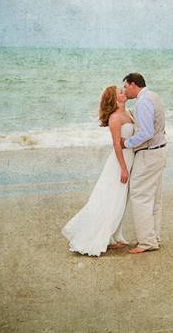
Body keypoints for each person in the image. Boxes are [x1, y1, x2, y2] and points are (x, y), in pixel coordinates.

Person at [61, 85, 135, 256]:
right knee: (110, 198)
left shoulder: (128, 113)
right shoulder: (115, 118)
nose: (124, 92)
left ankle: (116, 234)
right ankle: (103, 236)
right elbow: (116, 145)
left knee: (121, 199)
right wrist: (123, 168)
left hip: (130, 158)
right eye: (120, 92)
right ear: (114, 99)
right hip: (119, 162)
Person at [121, 72, 167, 254]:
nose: (124, 90)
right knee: (155, 198)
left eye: (125, 86)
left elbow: (146, 132)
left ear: (133, 85)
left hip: (149, 154)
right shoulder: (153, 96)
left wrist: (126, 143)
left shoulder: (143, 101)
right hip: (160, 150)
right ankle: (153, 237)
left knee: (140, 195)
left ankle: (147, 242)